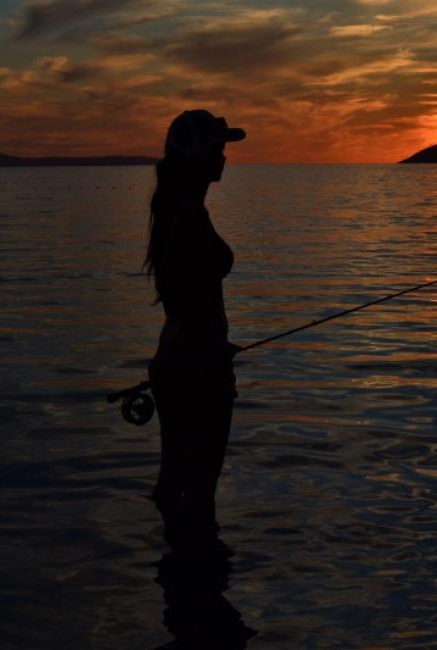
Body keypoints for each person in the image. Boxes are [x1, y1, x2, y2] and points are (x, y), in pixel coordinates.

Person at [143, 109, 246, 545]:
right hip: (196, 371)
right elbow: (181, 295)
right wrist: (209, 348)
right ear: (196, 155)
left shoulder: (182, 209)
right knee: (196, 495)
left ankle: (179, 584)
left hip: (182, 364)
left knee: (177, 487)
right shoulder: (186, 216)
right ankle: (195, 588)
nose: (224, 158)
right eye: (217, 149)